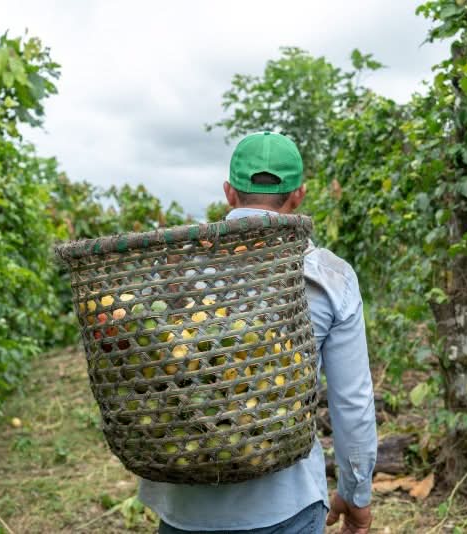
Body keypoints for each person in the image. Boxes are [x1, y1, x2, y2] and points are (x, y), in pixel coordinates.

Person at [139, 131, 377, 534]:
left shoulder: (175, 271)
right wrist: (356, 495)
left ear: (230, 193)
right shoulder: (329, 277)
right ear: (299, 196)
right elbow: (352, 403)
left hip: (184, 505)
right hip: (287, 507)